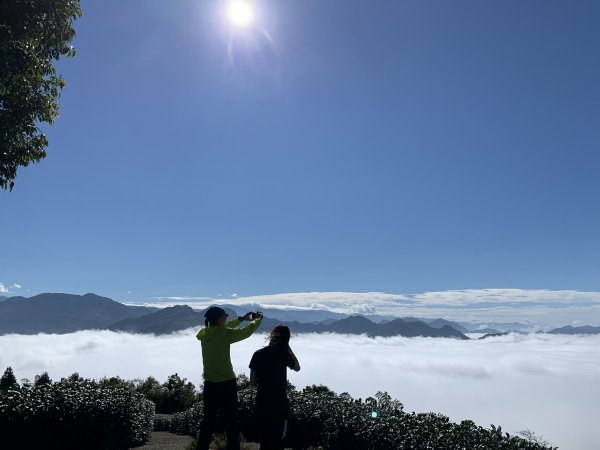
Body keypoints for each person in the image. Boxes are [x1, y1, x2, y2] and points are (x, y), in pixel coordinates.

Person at [196, 306, 263, 450]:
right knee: (231, 423)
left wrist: (241, 319)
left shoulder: (204, 333)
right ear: (220, 318)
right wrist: (256, 321)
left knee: (208, 423)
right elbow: (246, 332)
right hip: (227, 385)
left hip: (209, 385)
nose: (226, 318)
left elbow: (224, 327)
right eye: (225, 316)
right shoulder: (224, 334)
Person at [249, 325, 300, 450]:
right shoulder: (284, 354)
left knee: (264, 440)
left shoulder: (258, 354)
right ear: (286, 339)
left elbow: (252, 383)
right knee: (278, 441)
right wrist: (288, 348)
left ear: (271, 336)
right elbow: (297, 367)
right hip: (280, 403)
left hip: (262, 402)